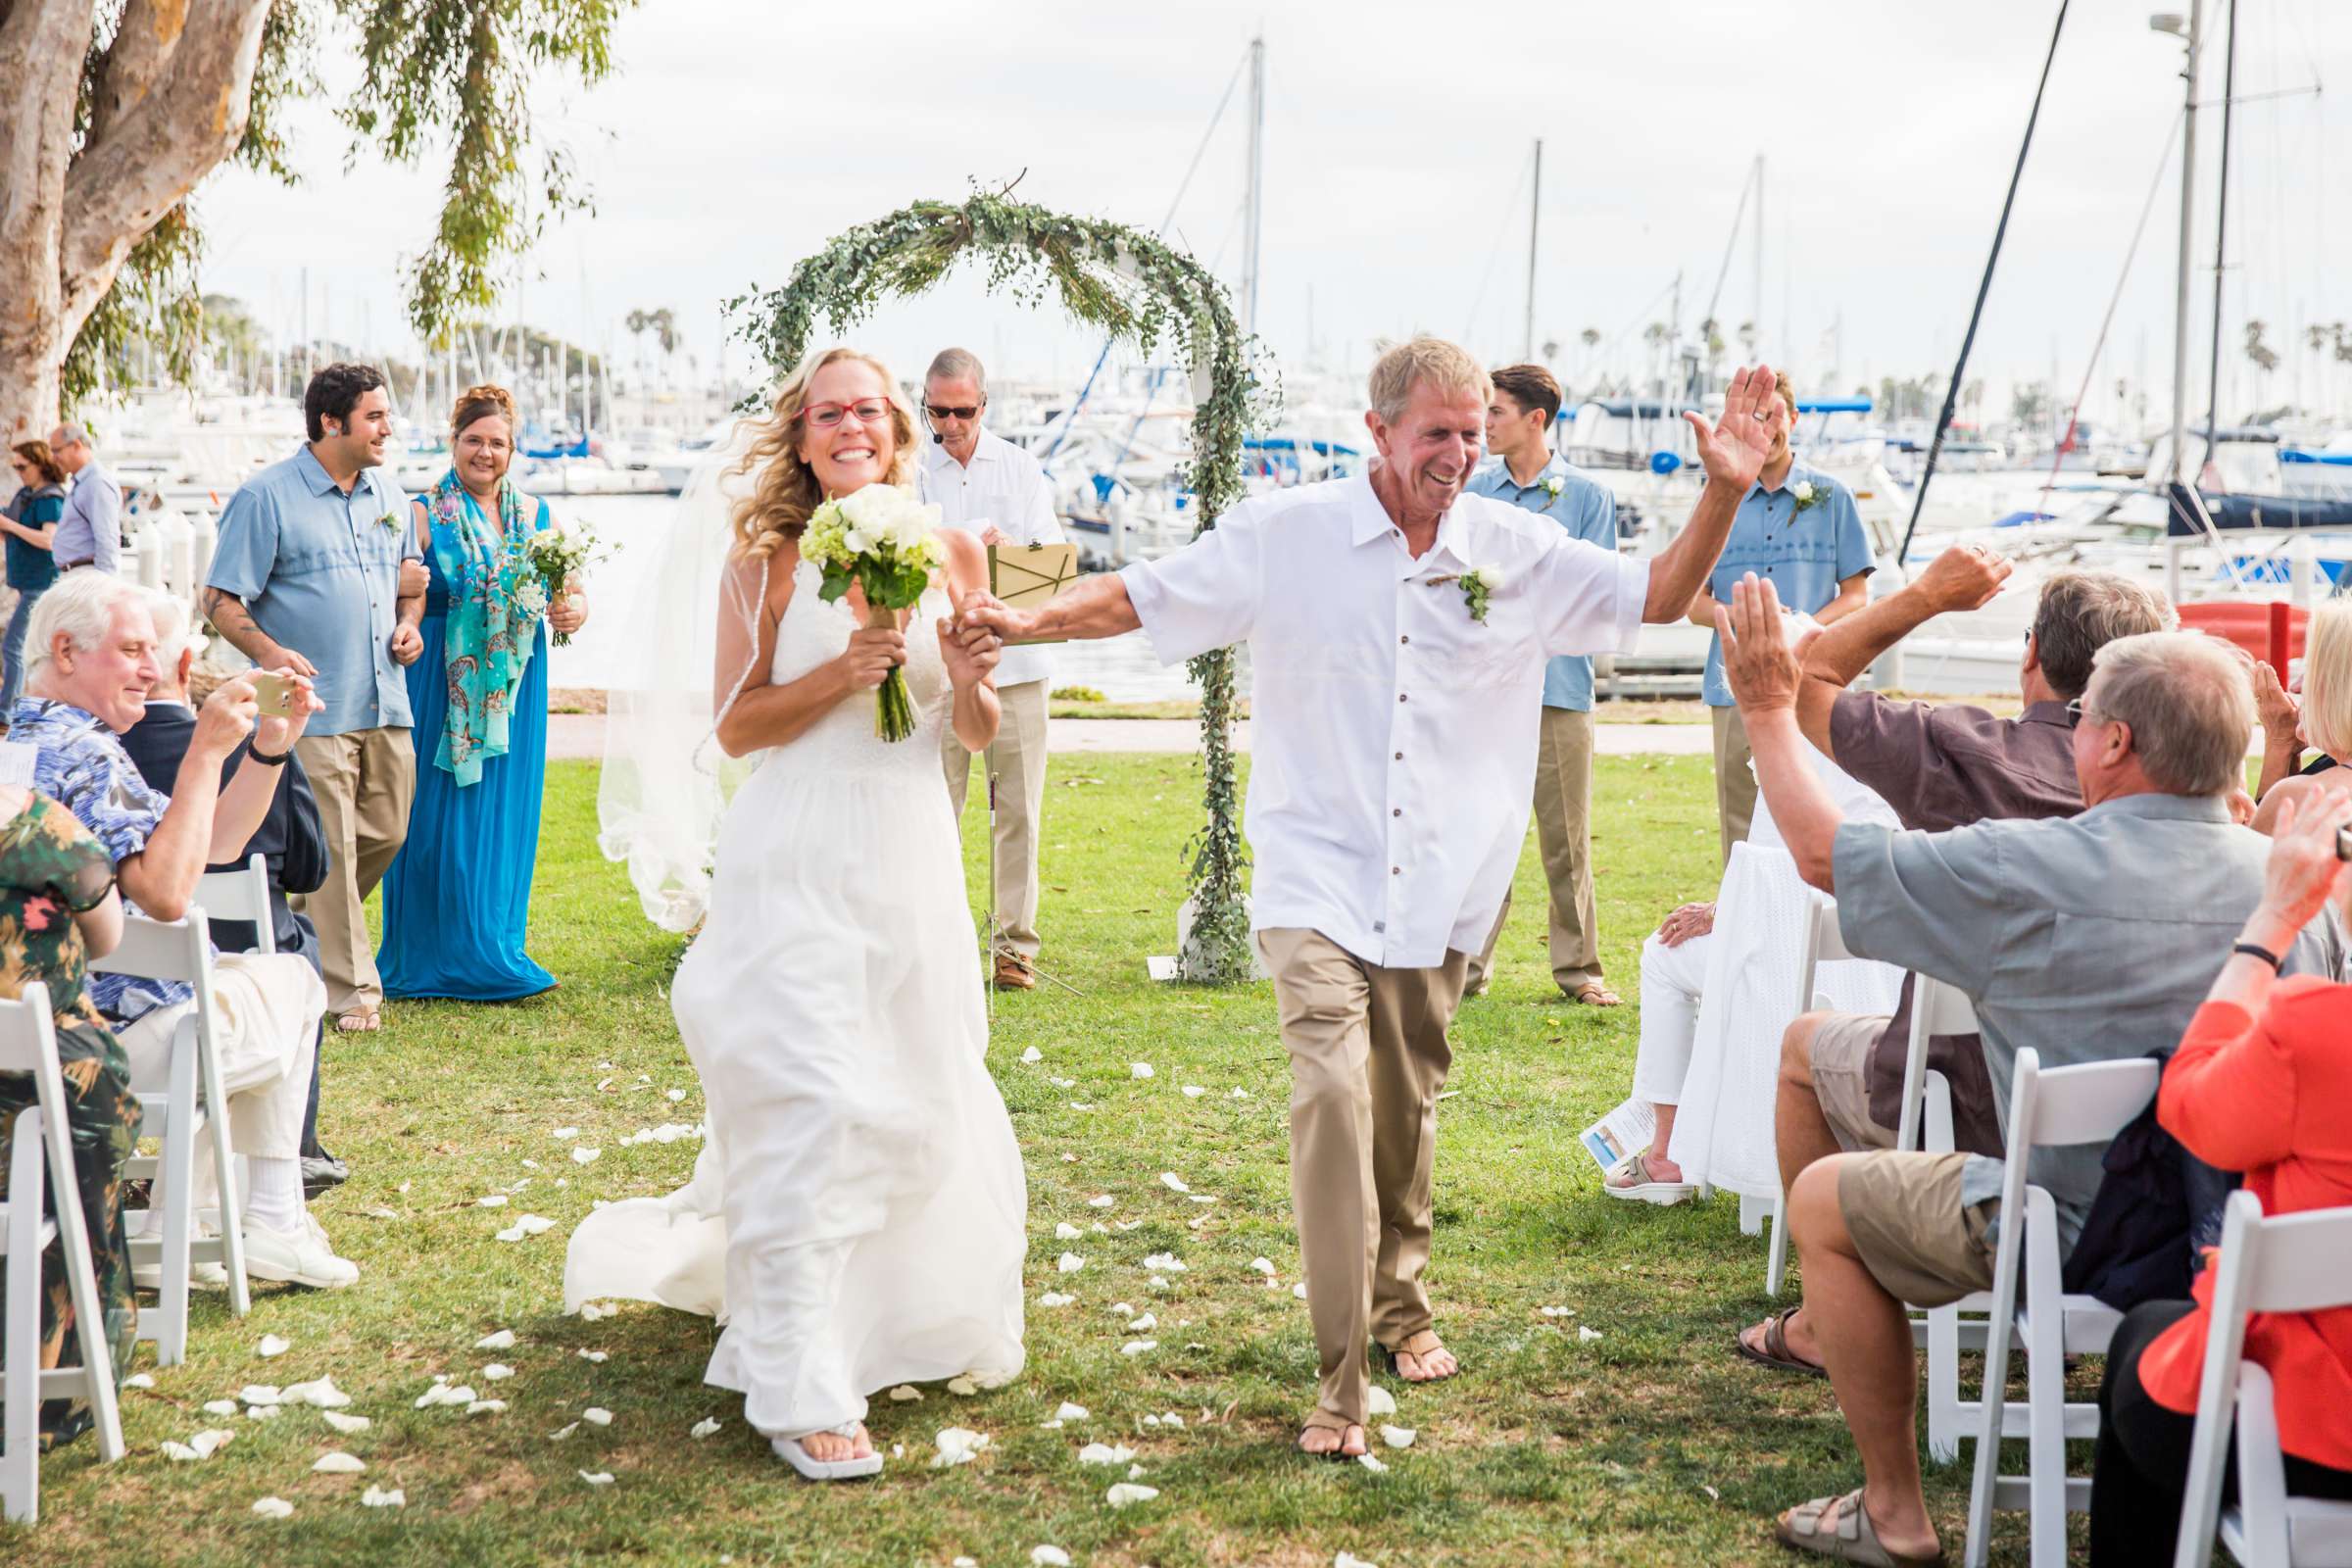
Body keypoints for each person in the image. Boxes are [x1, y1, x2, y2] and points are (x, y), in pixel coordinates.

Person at [964, 338, 1779, 1459]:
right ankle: (1340, 1378)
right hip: (1313, 874)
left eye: (1471, 430)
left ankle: (1404, 1300)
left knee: (1405, 1106)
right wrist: (1004, 597)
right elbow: (1137, 590)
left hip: (1447, 881)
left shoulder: (1515, 547)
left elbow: (1658, 593)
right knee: (1335, 1101)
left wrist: (1725, 486)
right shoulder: (1284, 533)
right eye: (1436, 431)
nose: (1459, 451)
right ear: (1379, 429)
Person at [1716, 575, 2340, 1567]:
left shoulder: (2028, 869)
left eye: (2084, 718)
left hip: (2066, 1233)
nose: (2074, 734)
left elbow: (1825, 855)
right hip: (2247, 1244)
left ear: (2119, 744)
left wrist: (1761, 706)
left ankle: (1894, 1512)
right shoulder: (2303, 897)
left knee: (1825, 1203)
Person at [564, 346, 1024, 1482]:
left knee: (913, 1088)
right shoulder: (764, 562)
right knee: (810, 1091)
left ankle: (874, 1325)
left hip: (907, 845)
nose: (848, 427)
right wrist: (846, 667)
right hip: (795, 849)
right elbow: (735, 727)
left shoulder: (956, 547)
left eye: (867, 408)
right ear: (802, 435)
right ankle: (795, 1375)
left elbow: (971, 735)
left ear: (899, 425)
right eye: (827, 415)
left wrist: (968, 675)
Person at [1731, 553, 2177, 1373]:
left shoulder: (1960, 748)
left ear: (2033, 653)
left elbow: (1807, 684)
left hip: (1961, 1106)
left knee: (1803, 1046)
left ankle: (1831, 1319)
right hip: (2142, 1147)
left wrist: (1928, 597)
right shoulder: (2189, 804)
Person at [14, 569, 355, 1289]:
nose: (151, 669)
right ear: (67, 652)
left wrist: (264, 750)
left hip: (31, 1031)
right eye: (133, 650)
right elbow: (169, 894)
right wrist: (205, 751)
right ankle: (266, 1215)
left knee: (264, 989)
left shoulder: (27, 741)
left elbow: (211, 851)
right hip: (104, 1047)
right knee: (293, 982)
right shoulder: (83, 754)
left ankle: (216, 1215)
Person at [2087, 784, 2352, 1563]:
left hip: (2321, 1429)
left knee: (2147, 1338)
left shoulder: (2316, 1032)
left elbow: (2191, 1105)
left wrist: (2270, 925)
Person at [202, 364, 425, 1034]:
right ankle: (352, 991)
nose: (388, 428)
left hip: (386, 700)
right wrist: (270, 656)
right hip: (307, 705)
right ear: (333, 423)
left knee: (387, 831)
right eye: (376, 416)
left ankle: (298, 928)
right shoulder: (265, 498)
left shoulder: (388, 491)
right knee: (334, 842)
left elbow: (409, 579)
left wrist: (409, 621)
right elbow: (219, 599)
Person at [121, 592, 342, 1197]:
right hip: (177, 986)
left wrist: (266, 748)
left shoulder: (92, 755)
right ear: (188, 666)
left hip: (114, 996)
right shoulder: (96, 762)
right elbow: (307, 868)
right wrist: (257, 750)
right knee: (295, 963)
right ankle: (291, 1160)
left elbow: (211, 847)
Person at [376, 384, 586, 1002]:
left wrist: (572, 611)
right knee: (433, 820)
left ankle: (492, 946)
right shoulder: (421, 513)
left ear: (513, 449)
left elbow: (569, 593)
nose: (485, 453)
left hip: (515, 685)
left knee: (501, 813)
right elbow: (393, 596)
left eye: (497, 442)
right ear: (453, 443)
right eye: (474, 440)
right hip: (442, 679)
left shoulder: (539, 518)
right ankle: (424, 956)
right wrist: (403, 616)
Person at [1462, 364, 1621, 1005]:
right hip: (1482, 695)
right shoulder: (1473, 494)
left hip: (1559, 691)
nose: (1485, 424)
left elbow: (1600, 596)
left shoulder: (1588, 497)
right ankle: (1464, 966)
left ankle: (1580, 970)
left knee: (1566, 841)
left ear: (1536, 419)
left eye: (1495, 412)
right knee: (1477, 834)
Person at [919, 347, 1067, 991]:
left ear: (985, 405)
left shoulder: (1021, 468)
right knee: (931, 808)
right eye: (937, 411)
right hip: (933, 671)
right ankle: (935, 937)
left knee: (1019, 813)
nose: (949, 424)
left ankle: (1014, 949)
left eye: (962, 411)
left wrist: (1001, 558)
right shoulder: (907, 471)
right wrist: (947, 559)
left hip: (1018, 666)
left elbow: (1054, 574)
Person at [0, 749, 132, 1453]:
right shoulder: (45, 830)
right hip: (47, 1088)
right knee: (80, 1165)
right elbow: (108, 939)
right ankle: (58, 1388)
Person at [1690, 375, 1874, 864]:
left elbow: (1857, 595)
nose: (1764, 427)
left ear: (1792, 419)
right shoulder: (1716, 498)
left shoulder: (1833, 496)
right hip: (1734, 682)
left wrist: (1802, 627)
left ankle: (1811, 926)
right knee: (1740, 818)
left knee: (1823, 800)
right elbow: (1693, 603)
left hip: (1815, 677)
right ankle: (1736, 926)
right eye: (1754, 416)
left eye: (1773, 415)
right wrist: (1752, 622)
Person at [2249, 595, 2351, 828]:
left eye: (2310, 671)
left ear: (2340, 690)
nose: (2296, 686)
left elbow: (2252, 854)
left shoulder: (2306, 797)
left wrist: (2277, 741)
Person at [1, 441, 68, 715]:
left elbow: (48, 539)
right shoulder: (27, 494)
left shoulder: (49, 498)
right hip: (26, 582)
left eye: (23, 466)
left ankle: (6, 710)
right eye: (14, 467)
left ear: (39, 464)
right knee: (27, 646)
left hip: (41, 583)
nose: (19, 472)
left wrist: (10, 526)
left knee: (13, 645)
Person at [44, 422, 119, 576]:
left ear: (77, 445)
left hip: (87, 577)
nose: (54, 458)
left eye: (56, 451)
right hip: (75, 574)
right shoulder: (83, 482)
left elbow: (107, 541)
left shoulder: (96, 483)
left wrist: (105, 587)